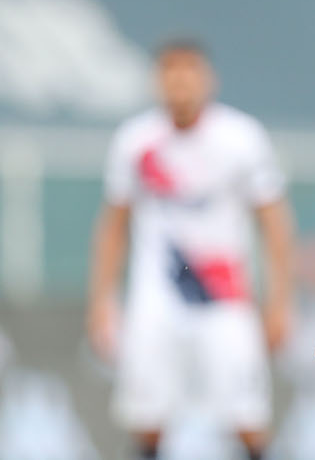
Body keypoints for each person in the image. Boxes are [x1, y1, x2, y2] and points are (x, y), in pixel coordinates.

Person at [87, 40, 294, 460]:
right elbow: (113, 226)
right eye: (169, 73)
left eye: (189, 72)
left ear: (208, 79)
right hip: (156, 304)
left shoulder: (241, 138)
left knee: (248, 420)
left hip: (225, 302)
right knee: (146, 423)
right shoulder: (136, 141)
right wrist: (102, 303)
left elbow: (274, 224)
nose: (179, 84)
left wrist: (279, 302)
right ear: (156, 81)